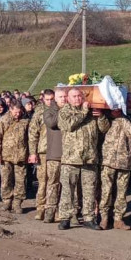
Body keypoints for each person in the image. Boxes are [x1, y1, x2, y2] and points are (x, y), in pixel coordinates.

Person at [57, 87, 110, 230]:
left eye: (79, 96)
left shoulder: (92, 112)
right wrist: (84, 112)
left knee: (89, 190)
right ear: (68, 98)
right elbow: (68, 125)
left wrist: (101, 117)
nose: (77, 99)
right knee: (68, 189)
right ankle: (65, 218)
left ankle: (89, 218)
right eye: (74, 96)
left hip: (89, 158)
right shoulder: (65, 111)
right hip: (71, 158)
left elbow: (104, 129)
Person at [100, 94, 131, 230]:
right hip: (109, 159)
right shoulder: (110, 116)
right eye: (128, 102)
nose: (130, 104)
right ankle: (104, 217)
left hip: (125, 160)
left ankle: (118, 219)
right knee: (106, 190)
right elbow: (102, 128)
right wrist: (103, 115)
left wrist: (121, 117)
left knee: (121, 192)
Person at [0, 99, 30, 213]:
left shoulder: (25, 121)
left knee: (21, 180)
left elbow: (30, 138)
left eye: (19, 112)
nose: (17, 114)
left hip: (21, 156)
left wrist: (31, 153)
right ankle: (7, 201)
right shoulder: (3, 120)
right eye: (15, 112)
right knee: (6, 180)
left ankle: (17, 203)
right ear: (10, 109)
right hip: (6, 156)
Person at [27, 89, 54, 220]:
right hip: (42, 151)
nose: (49, 102)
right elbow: (33, 134)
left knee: (54, 182)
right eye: (47, 99)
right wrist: (33, 153)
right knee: (42, 181)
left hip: (56, 151)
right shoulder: (39, 113)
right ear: (43, 99)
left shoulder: (58, 110)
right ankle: (40, 208)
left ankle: (52, 208)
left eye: (51, 99)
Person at [41, 87, 66, 222]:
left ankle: (62, 212)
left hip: (68, 155)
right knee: (52, 184)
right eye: (61, 97)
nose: (63, 99)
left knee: (66, 186)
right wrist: (62, 111)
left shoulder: (69, 110)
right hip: (54, 155)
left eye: (64, 97)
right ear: (55, 99)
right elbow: (52, 123)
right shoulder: (49, 112)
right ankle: (49, 212)